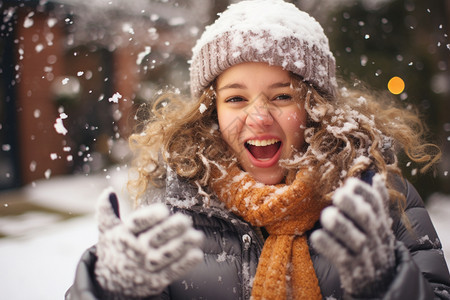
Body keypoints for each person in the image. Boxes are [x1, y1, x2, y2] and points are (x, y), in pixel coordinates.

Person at [66, 0, 450, 299]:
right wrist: (110, 291)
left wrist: (390, 283)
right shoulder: (173, 205)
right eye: (236, 99)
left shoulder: (379, 196)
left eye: (282, 96)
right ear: (211, 112)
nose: (259, 117)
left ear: (314, 107)